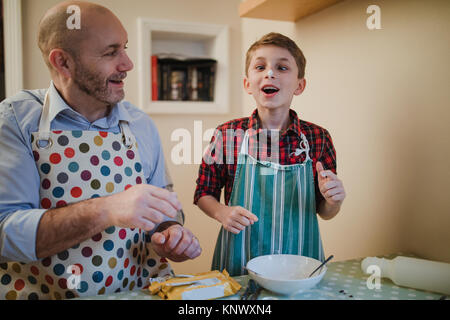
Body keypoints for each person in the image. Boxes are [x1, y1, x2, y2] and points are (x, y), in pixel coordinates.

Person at [0, 1, 201, 300]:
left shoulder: (140, 124)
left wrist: (171, 233)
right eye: (111, 52)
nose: (128, 63)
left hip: (138, 292)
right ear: (63, 62)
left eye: (125, 47)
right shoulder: (16, 120)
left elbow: (165, 212)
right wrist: (107, 209)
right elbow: (5, 231)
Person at [194, 32, 346, 276]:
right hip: (238, 262)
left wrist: (334, 200)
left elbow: (325, 211)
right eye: (260, 66)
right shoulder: (227, 135)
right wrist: (222, 212)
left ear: (299, 85)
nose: (270, 73)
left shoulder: (319, 138)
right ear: (247, 83)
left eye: (282, 67)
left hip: (300, 264)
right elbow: (204, 193)